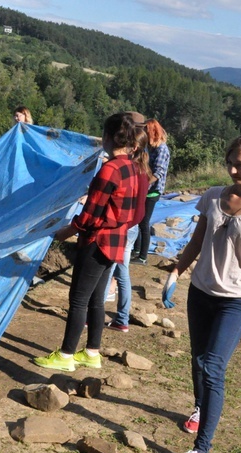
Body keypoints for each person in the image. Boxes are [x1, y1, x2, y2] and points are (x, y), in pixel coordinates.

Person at [162, 133, 241, 453]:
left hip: (235, 301)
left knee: (213, 367)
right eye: (229, 162)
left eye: (239, 165)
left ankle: (201, 451)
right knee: (199, 361)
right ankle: (200, 408)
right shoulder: (213, 197)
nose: (231, 170)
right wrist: (176, 271)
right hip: (200, 293)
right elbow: (196, 241)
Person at [33, 112, 140, 371]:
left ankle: (67, 355)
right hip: (116, 241)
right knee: (96, 298)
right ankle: (92, 352)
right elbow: (133, 210)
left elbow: (90, 215)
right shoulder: (133, 168)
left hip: (96, 241)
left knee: (78, 299)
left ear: (109, 137)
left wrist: (65, 232)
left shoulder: (110, 170)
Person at [104, 127, 151, 332]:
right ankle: (121, 318)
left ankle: (101, 316)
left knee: (109, 272)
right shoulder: (143, 171)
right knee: (121, 273)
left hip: (123, 228)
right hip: (131, 228)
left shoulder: (131, 171)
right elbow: (141, 210)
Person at [132, 118, 169, 265]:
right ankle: (136, 250)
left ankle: (142, 257)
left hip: (153, 191)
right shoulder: (150, 148)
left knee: (144, 222)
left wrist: (144, 185)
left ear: (152, 132)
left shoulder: (161, 149)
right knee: (137, 218)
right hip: (145, 189)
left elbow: (158, 172)